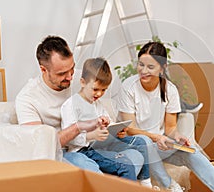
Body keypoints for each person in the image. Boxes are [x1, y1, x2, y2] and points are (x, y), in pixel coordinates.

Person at [117, 41, 214, 192]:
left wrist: (177, 136)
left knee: (191, 151)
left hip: (158, 145)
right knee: (146, 143)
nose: (143, 70)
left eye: (150, 67)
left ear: (162, 68)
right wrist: (156, 137)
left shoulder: (170, 90)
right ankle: (171, 186)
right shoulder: (129, 87)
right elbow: (130, 129)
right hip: (133, 145)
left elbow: (170, 128)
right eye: (141, 64)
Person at [15, 35, 144, 176]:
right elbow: (39, 145)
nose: (70, 77)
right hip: (63, 153)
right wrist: (78, 127)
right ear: (44, 70)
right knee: (92, 172)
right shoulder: (27, 98)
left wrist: (111, 129)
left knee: (136, 156)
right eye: (62, 73)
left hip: (92, 146)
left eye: (72, 68)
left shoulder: (81, 79)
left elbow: (98, 107)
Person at [60, 57, 152, 185]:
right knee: (126, 165)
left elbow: (109, 124)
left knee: (141, 142)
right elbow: (69, 138)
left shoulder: (97, 104)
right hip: (84, 150)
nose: (99, 94)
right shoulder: (70, 105)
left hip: (103, 144)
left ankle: (146, 184)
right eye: (95, 89)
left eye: (103, 90)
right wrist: (91, 135)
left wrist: (117, 129)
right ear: (82, 82)